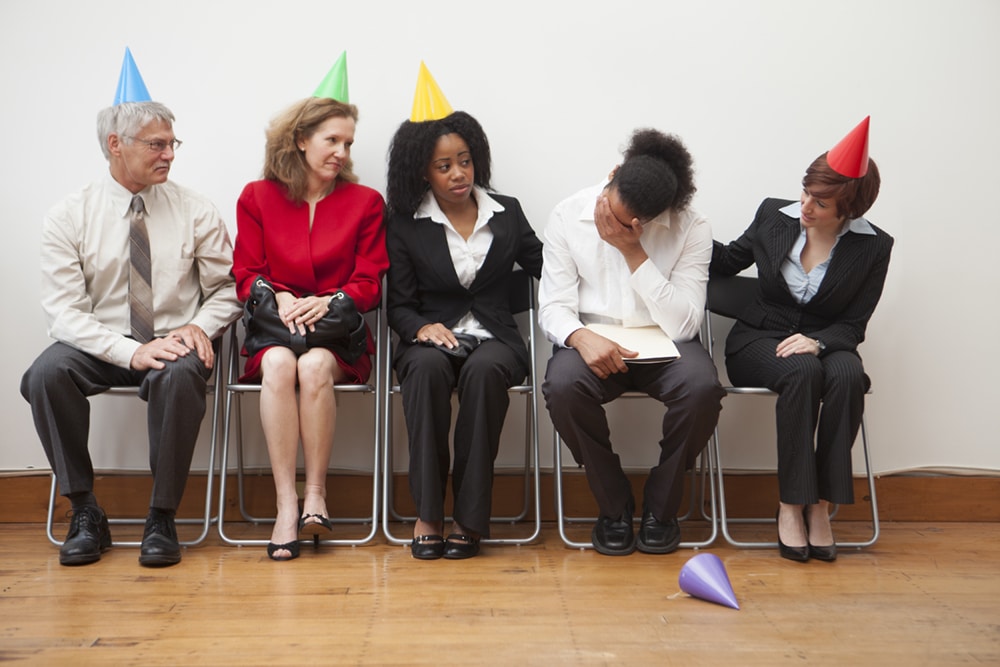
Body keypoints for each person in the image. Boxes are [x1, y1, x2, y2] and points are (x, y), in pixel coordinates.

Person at [20, 49, 241, 567]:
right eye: (156, 144)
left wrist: (194, 327)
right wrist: (129, 352)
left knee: (183, 373)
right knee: (45, 374)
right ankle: (83, 511)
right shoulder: (68, 216)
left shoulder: (195, 208)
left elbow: (227, 289)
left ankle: (161, 517)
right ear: (115, 146)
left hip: (174, 341)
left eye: (172, 143)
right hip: (102, 341)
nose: (169, 154)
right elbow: (64, 314)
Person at [710, 117, 892, 562]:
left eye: (822, 203)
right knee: (801, 370)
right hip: (758, 338)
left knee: (849, 375)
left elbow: (854, 325)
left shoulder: (874, 247)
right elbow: (729, 260)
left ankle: (821, 507)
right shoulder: (774, 215)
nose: (807, 207)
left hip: (826, 343)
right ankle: (791, 504)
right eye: (806, 192)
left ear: (849, 210)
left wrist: (819, 342)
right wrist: (678, 227)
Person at [539, 128, 724, 556]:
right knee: (563, 388)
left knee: (702, 390)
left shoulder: (692, 227)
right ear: (613, 174)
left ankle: (663, 508)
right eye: (609, 204)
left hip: (666, 345)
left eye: (624, 224)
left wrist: (632, 251)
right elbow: (553, 305)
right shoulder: (568, 215)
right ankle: (613, 505)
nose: (608, 222)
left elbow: (685, 324)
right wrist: (580, 336)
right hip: (593, 340)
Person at [232, 56, 388, 562]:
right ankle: (285, 505)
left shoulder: (365, 202)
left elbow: (369, 281)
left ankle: (316, 496)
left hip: (336, 336)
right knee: (280, 362)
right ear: (301, 140)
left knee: (315, 364)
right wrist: (278, 296)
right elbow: (245, 273)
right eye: (332, 141)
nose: (342, 152)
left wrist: (329, 301)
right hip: (274, 330)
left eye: (348, 144)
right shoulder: (256, 197)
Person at [385, 63, 543, 560]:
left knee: (484, 373)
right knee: (428, 370)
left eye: (465, 161)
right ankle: (429, 513)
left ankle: (471, 520)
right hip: (428, 338)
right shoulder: (406, 225)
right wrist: (422, 328)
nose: (459, 174)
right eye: (443, 166)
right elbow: (400, 306)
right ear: (422, 171)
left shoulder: (507, 212)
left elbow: (548, 266)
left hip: (495, 340)